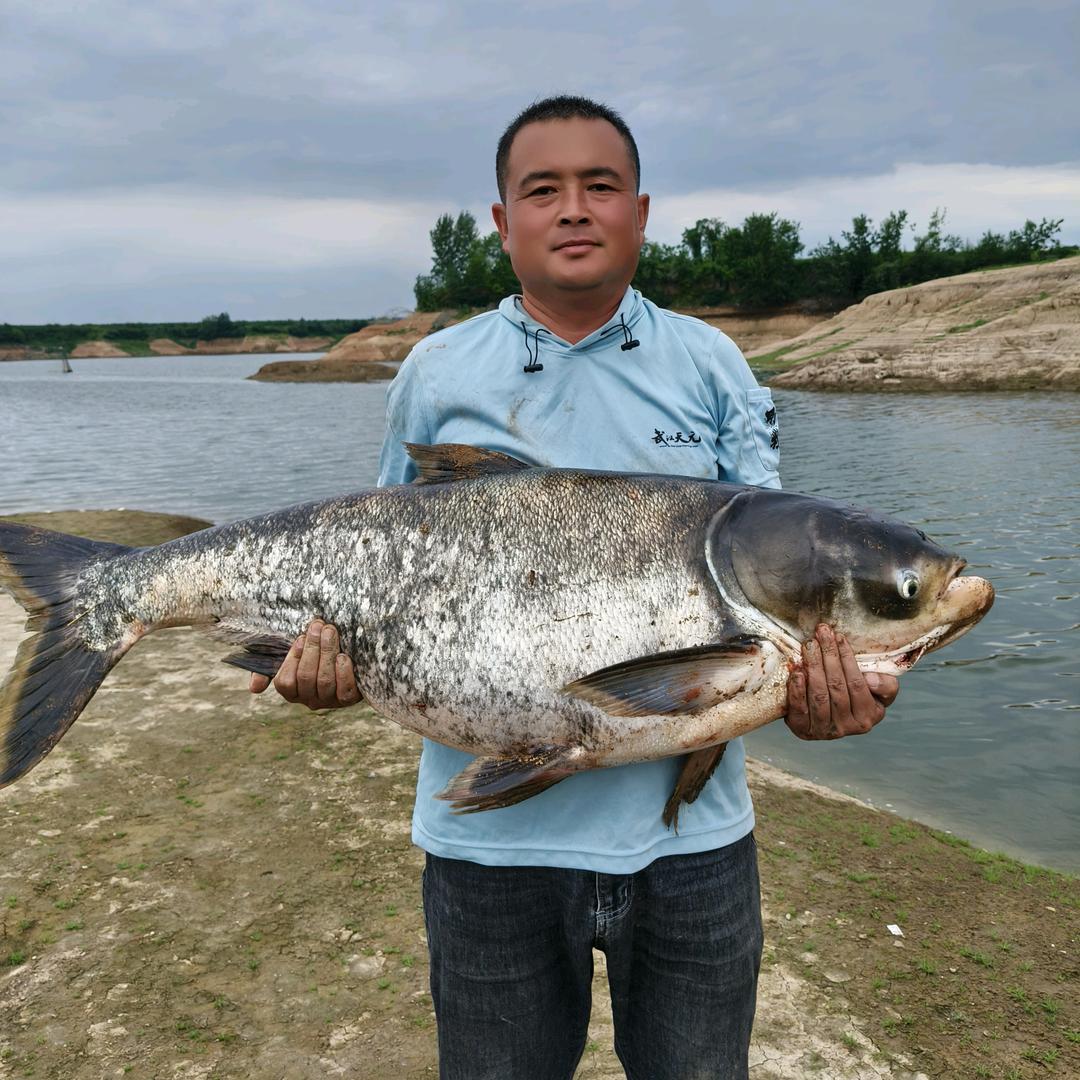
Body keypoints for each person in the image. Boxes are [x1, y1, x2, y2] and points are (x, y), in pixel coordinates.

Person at [251, 96, 899, 1079]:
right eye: (541, 189)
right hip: (488, 860)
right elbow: (378, 569)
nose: (574, 208)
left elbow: (781, 590)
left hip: (695, 850)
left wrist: (822, 690)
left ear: (641, 212)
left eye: (600, 186)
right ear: (503, 223)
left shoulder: (714, 366)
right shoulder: (436, 370)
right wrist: (326, 664)